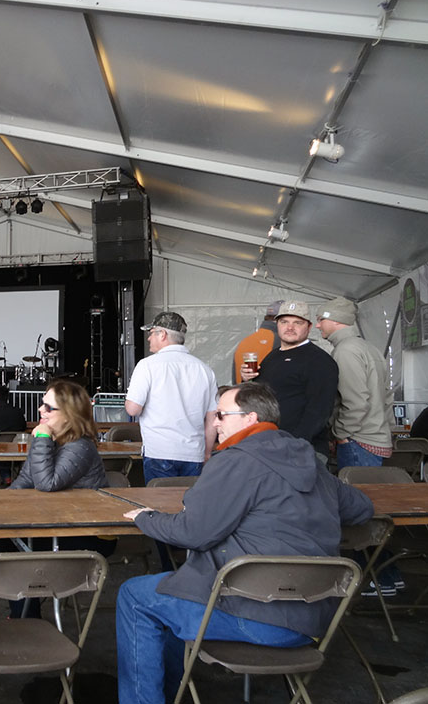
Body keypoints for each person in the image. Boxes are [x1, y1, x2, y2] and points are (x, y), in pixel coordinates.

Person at [116, 382, 373, 704]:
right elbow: (362, 509)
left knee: (135, 595)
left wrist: (146, 518)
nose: (214, 422)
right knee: (176, 598)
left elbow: (193, 533)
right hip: (311, 620)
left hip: (253, 616)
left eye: (222, 415)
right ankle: (169, 691)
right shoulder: (309, 460)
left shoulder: (235, 461)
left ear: (250, 418)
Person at [0, 379, 113, 617]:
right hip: (60, 524)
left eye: (48, 407)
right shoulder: (52, 439)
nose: (40, 410)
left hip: (91, 533)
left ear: (69, 415)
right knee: (13, 538)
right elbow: (25, 480)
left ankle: (22, 616)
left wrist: (41, 438)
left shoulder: (80, 446)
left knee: (17, 552)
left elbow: (46, 483)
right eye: (42, 404)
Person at [124, 312, 218, 484]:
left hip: (160, 451)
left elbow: (133, 409)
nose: (148, 338)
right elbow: (212, 417)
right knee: (190, 499)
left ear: (163, 334)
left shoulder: (147, 366)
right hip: (194, 453)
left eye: (151, 333)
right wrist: (207, 452)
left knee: (160, 499)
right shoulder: (204, 369)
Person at [240, 299, 338, 459]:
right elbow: (260, 399)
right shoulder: (272, 357)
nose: (290, 327)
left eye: (297, 323)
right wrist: (247, 380)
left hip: (302, 451)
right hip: (269, 446)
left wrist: (292, 445)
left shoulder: (320, 361)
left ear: (309, 327)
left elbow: (319, 412)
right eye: (284, 322)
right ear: (277, 324)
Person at [316, 297, 394, 469]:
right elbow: (387, 396)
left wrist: (340, 434)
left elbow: (355, 402)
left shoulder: (346, 351)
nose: (317, 325)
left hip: (358, 441)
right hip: (376, 439)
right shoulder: (370, 348)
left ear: (337, 320)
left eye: (321, 319)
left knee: (356, 487)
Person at [232, 300, 281, 383]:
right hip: (264, 391)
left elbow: (235, 378)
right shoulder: (280, 340)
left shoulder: (245, 341)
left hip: (242, 390)